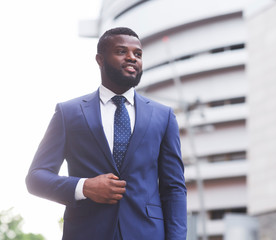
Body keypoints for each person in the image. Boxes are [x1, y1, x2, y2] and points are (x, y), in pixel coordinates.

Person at [26, 27, 187, 240]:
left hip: (147, 233)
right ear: (100, 60)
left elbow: (174, 188)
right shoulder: (69, 113)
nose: (132, 58)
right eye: (121, 51)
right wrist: (84, 187)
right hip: (86, 232)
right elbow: (36, 178)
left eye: (137, 54)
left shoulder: (163, 116)